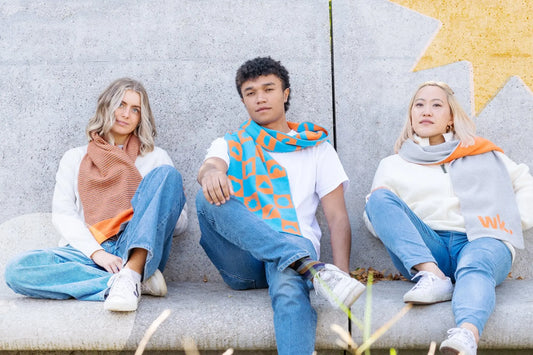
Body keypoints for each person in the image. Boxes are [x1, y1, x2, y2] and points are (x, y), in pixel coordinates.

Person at [195, 56, 365, 355]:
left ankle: (302, 266)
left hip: (296, 240)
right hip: (243, 260)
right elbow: (211, 166)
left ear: (285, 94)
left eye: (268, 88)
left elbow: (337, 217)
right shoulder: (230, 143)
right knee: (204, 196)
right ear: (244, 101)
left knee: (288, 282)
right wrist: (211, 174)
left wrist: (342, 274)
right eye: (250, 92)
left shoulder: (317, 148)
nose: (260, 98)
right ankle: (306, 266)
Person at [364, 81, 533, 355]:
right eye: (419, 104)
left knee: (475, 262)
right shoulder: (393, 164)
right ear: (411, 114)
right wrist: (405, 235)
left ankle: (466, 336)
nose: (426, 111)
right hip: (429, 251)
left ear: (451, 117)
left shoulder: (481, 152)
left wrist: (514, 222)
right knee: (378, 198)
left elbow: (525, 183)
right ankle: (433, 277)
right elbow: (374, 217)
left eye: (436, 104)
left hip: (481, 239)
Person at [4, 78, 187, 312]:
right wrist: (97, 253)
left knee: (166, 175)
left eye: (135, 109)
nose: (126, 114)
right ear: (106, 106)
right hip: (88, 252)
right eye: (120, 104)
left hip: (135, 247)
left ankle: (133, 270)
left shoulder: (155, 158)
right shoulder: (75, 157)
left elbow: (180, 225)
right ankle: (123, 282)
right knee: (18, 270)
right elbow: (63, 215)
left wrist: (163, 202)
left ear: (142, 117)